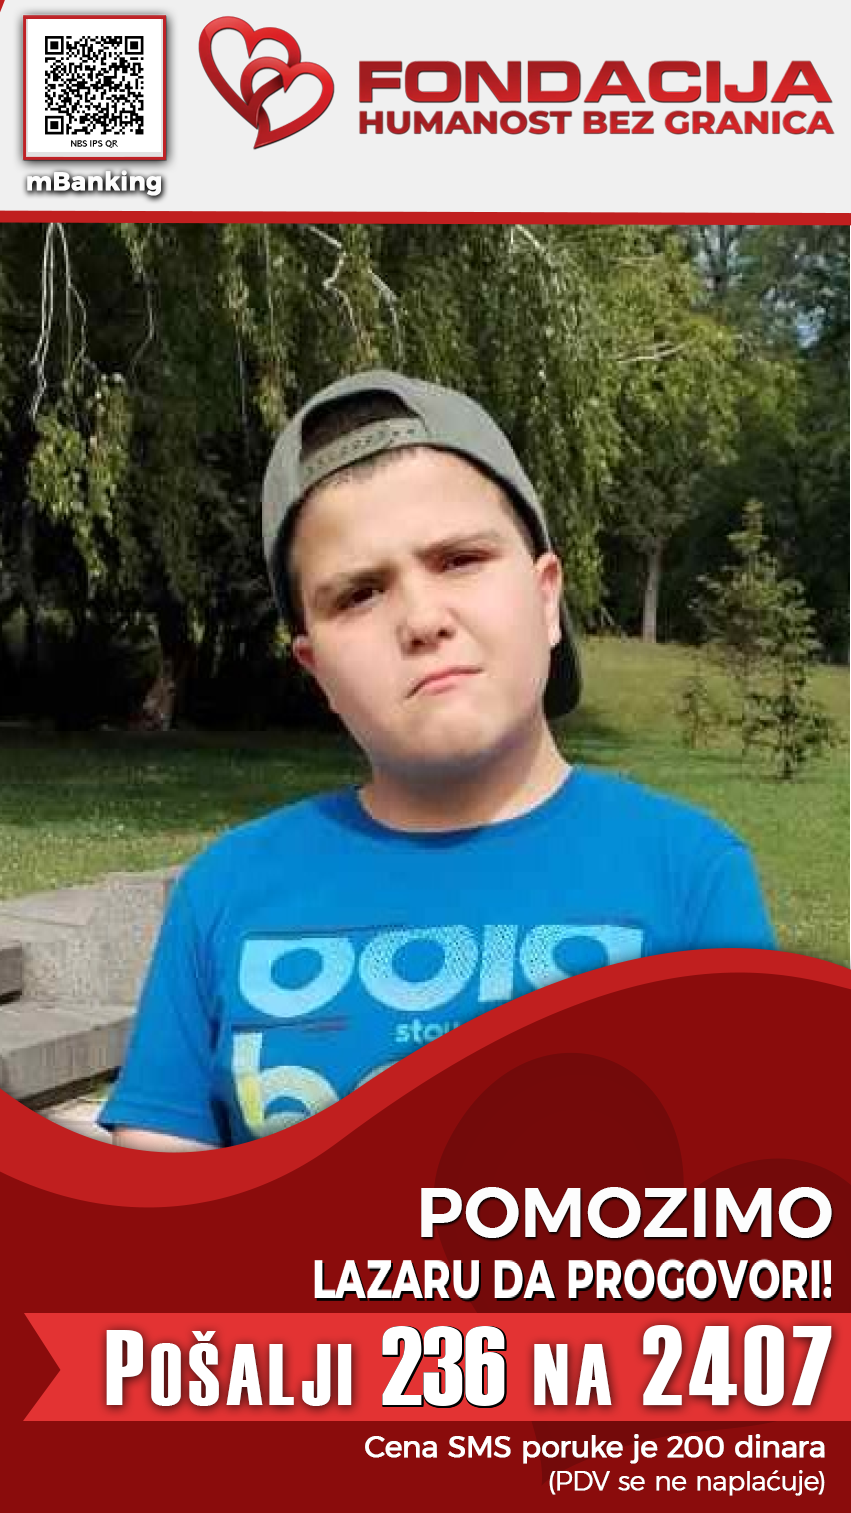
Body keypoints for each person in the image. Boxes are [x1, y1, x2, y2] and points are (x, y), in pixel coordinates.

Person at [100, 370, 774, 1151]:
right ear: (316, 670)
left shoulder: (689, 873)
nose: (421, 619)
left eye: (459, 559)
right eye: (358, 594)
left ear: (545, 597)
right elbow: (161, 1190)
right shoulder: (223, 892)